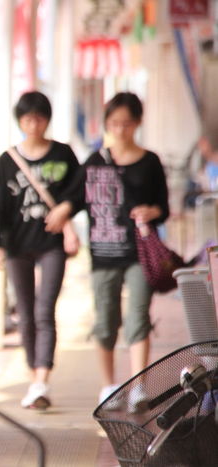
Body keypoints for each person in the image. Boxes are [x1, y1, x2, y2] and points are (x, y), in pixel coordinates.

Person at [49, 91, 169, 407]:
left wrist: (151, 212)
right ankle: (108, 386)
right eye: (114, 123)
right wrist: (63, 214)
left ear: (138, 123)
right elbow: (75, 197)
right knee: (105, 320)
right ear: (107, 124)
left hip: (139, 252)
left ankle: (139, 386)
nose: (120, 130)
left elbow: (164, 207)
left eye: (127, 124)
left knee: (138, 316)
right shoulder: (95, 161)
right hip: (103, 252)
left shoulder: (150, 161)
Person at [0, 91, 80, 410]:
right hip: (17, 245)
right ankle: (33, 376)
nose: (34, 124)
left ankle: (41, 379)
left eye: (39, 118)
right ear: (20, 121)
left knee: (45, 310)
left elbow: (79, 192)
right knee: (25, 314)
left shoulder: (63, 154)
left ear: (47, 120)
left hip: (51, 244)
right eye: (28, 119)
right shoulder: (7, 161)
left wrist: (65, 209)